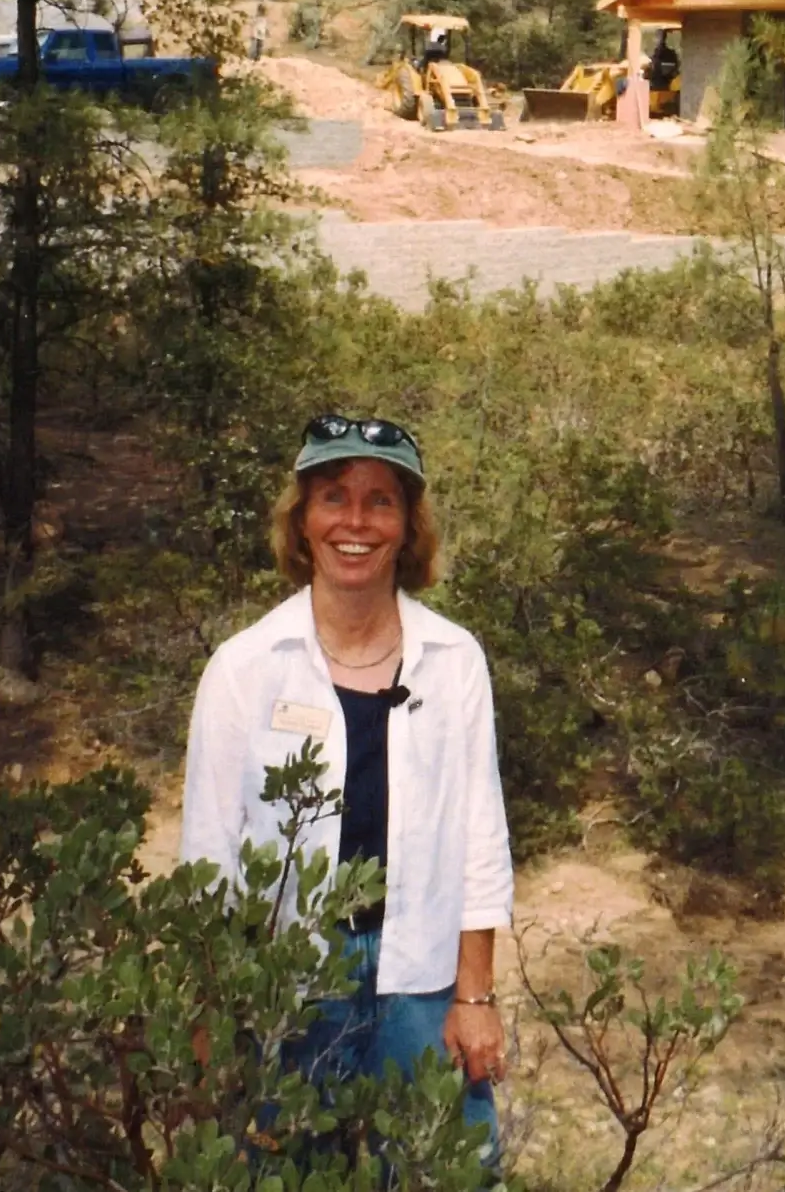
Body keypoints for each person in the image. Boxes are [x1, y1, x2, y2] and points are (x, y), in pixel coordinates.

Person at [180, 415, 511, 1166]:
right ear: (302, 523)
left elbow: (480, 835)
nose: (355, 521)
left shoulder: (455, 660)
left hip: (421, 973)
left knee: (448, 1170)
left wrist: (475, 997)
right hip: (290, 981)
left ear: (408, 526)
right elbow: (210, 850)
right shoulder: (246, 666)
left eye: (380, 500)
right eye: (333, 497)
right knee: (283, 1170)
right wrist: (210, 1011)